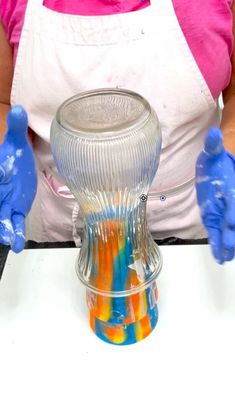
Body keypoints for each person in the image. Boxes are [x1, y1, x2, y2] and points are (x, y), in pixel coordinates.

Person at [0, 0, 234, 263]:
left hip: (199, 230)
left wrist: (230, 145)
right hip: (60, 244)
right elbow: (4, 101)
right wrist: (6, 153)